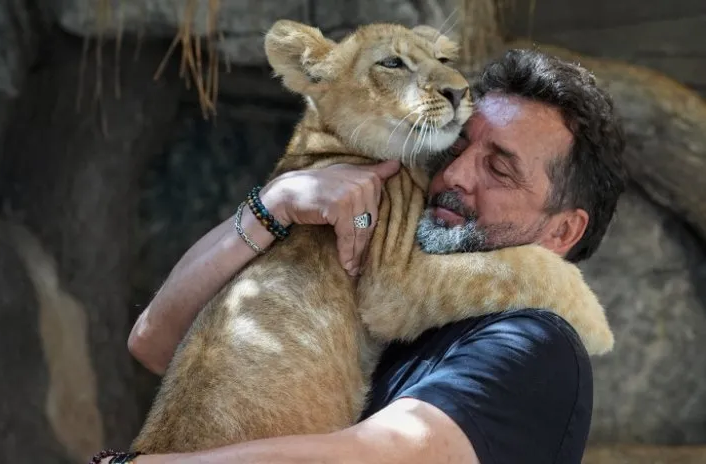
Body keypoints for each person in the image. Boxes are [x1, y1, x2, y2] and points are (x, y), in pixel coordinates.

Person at [116, 48, 626, 464]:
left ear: (563, 232)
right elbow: (155, 342)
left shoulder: (537, 343)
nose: (453, 176)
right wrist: (273, 205)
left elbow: (388, 453)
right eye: (455, 148)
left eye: (499, 169)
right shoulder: (398, 295)